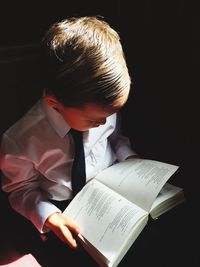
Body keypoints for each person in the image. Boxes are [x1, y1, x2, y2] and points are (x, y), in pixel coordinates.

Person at [0, 16, 137, 254]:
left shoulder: (100, 109)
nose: (104, 122)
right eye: (94, 120)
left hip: (109, 190)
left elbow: (114, 138)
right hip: (60, 207)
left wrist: (130, 158)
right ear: (55, 103)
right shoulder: (21, 140)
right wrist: (48, 215)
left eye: (111, 114)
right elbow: (20, 187)